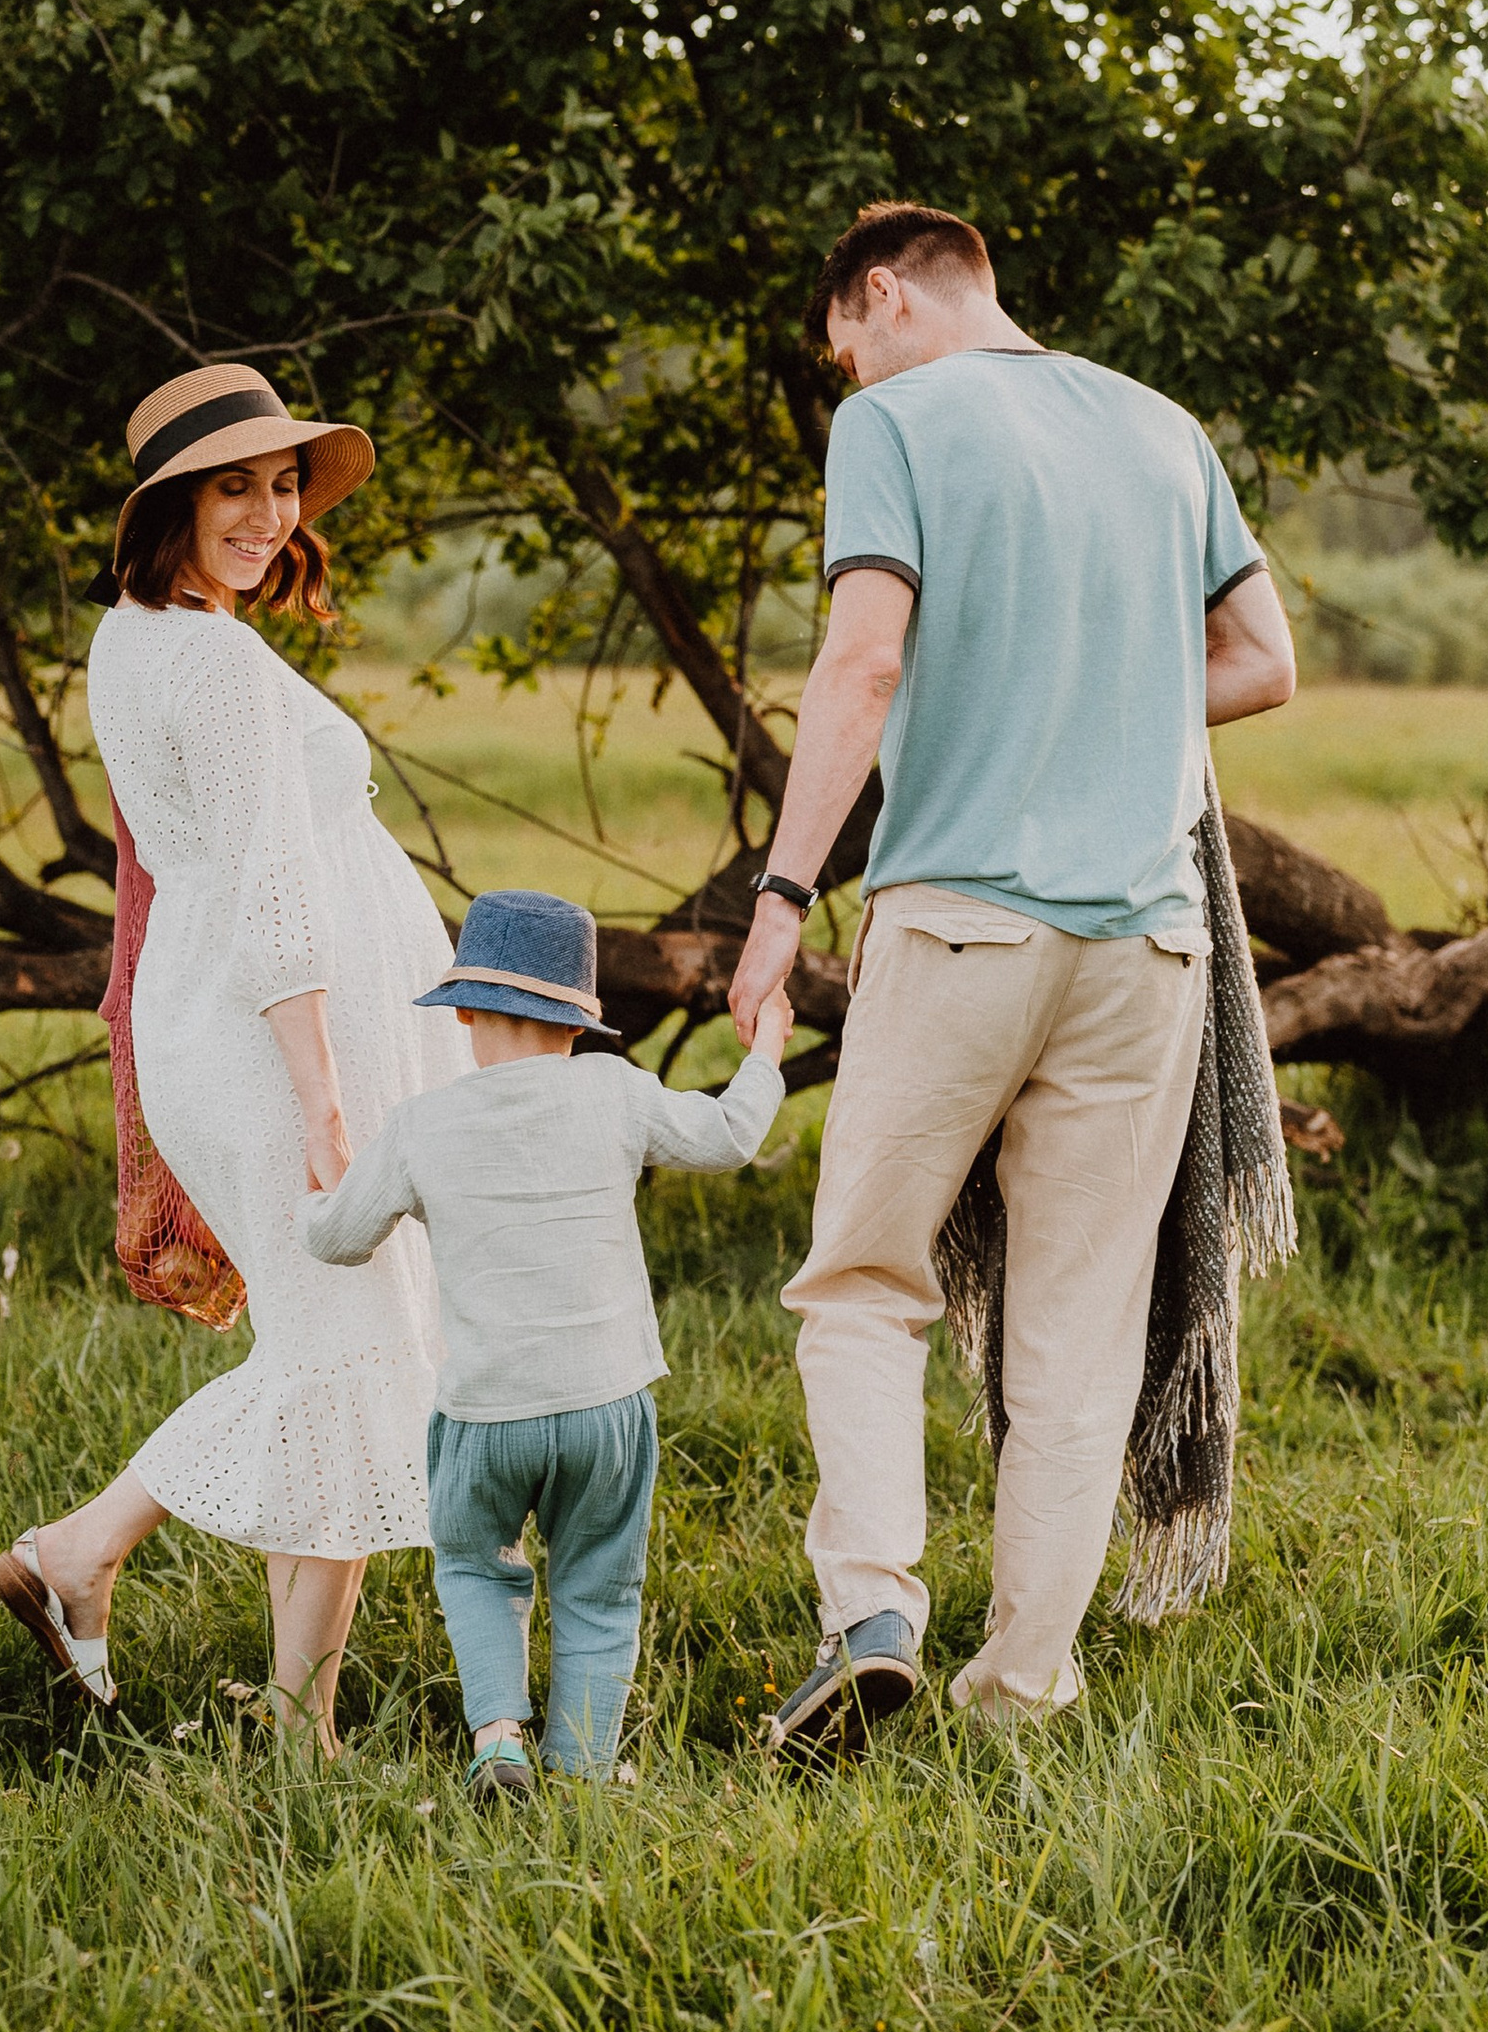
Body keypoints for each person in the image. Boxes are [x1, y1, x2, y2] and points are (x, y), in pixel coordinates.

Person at [726, 205, 1297, 1764]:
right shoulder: (1164, 429)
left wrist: (782, 899)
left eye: (844, 339)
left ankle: (875, 1621)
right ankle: (1023, 1689)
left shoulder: (893, 420)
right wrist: (1096, 679)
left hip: (963, 923)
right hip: (1150, 950)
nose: (848, 366)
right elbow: (1262, 660)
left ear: (887, 294)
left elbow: (860, 665)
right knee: (1077, 1330)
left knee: (861, 1283)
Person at [0, 361, 465, 1753]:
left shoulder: (133, 638)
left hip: (220, 1023)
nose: (265, 515)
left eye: (280, 487)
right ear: (168, 507)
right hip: (277, 1047)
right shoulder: (214, 660)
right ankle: (100, 1567)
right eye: (232, 489)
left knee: (337, 1353)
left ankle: (268, 1696)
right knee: (357, 1363)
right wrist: (325, 1097)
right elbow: (272, 891)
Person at [301, 890, 792, 1797]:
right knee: (600, 1590)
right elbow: (730, 1136)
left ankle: (498, 1740)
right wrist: (765, 1048)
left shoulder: (422, 1126)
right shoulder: (615, 1091)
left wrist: (315, 1192)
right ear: (577, 1020)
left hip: (486, 1412)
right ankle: (586, 1766)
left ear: (466, 1010)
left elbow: (338, 1239)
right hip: (607, 1404)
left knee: (474, 1566)